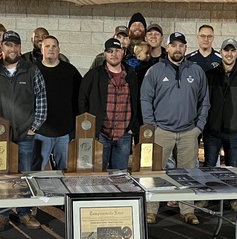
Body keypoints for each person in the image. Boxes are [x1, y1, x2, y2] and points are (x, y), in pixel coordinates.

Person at [141, 32, 209, 225]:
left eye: (181, 45)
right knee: (154, 172)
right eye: (174, 45)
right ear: (167, 48)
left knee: (188, 173)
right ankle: (151, 209)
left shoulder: (196, 71)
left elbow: (205, 101)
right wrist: (151, 126)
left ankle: (187, 210)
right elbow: (145, 99)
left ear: (185, 48)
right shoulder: (155, 71)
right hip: (162, 130)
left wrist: (199, 127)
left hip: (189, 131)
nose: (177, 49)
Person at [0, 31, 47, 232]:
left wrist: (34, 127)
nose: (12, 49)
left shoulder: (31, 70)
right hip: (0, 134)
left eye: (16, 45)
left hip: (25, 134)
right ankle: (1, 214)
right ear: (2, 47)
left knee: (24, 175)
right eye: (8, 45)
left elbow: (42, 99)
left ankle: (24, 212)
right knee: (1, 175)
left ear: (20, 47)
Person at [203, 39, 237, 213]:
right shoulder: (210, 75)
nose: (229, 54)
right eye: (226, 50)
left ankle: (234, 200)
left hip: (234, 131)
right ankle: (207, 198)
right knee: (210, 166)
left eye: (233, 51)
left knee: (233, 168)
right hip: (212, 130)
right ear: (221, 53)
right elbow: (203, 100)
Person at [78, 38, 139, 170]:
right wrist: (89, 126)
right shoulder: (94, 74)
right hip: (101, 134)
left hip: (124, 134)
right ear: (105, 54)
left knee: (120, 176)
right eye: (110, 51)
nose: (114, 54)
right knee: (98, 173)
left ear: (123, 52)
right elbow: (82, 99)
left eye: (117, 50)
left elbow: (136, 101)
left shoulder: (131, 74)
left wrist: (132, 127)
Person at [35, 37, 82, 170]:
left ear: (59, 49)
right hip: (40, 130)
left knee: (65, 170)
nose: (51, 49)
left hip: (64, 131)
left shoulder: (70, 71)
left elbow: (80, 98)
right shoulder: (33, 71)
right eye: (47, 46)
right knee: (37, 170)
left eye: (54, 46)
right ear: (41, 49)